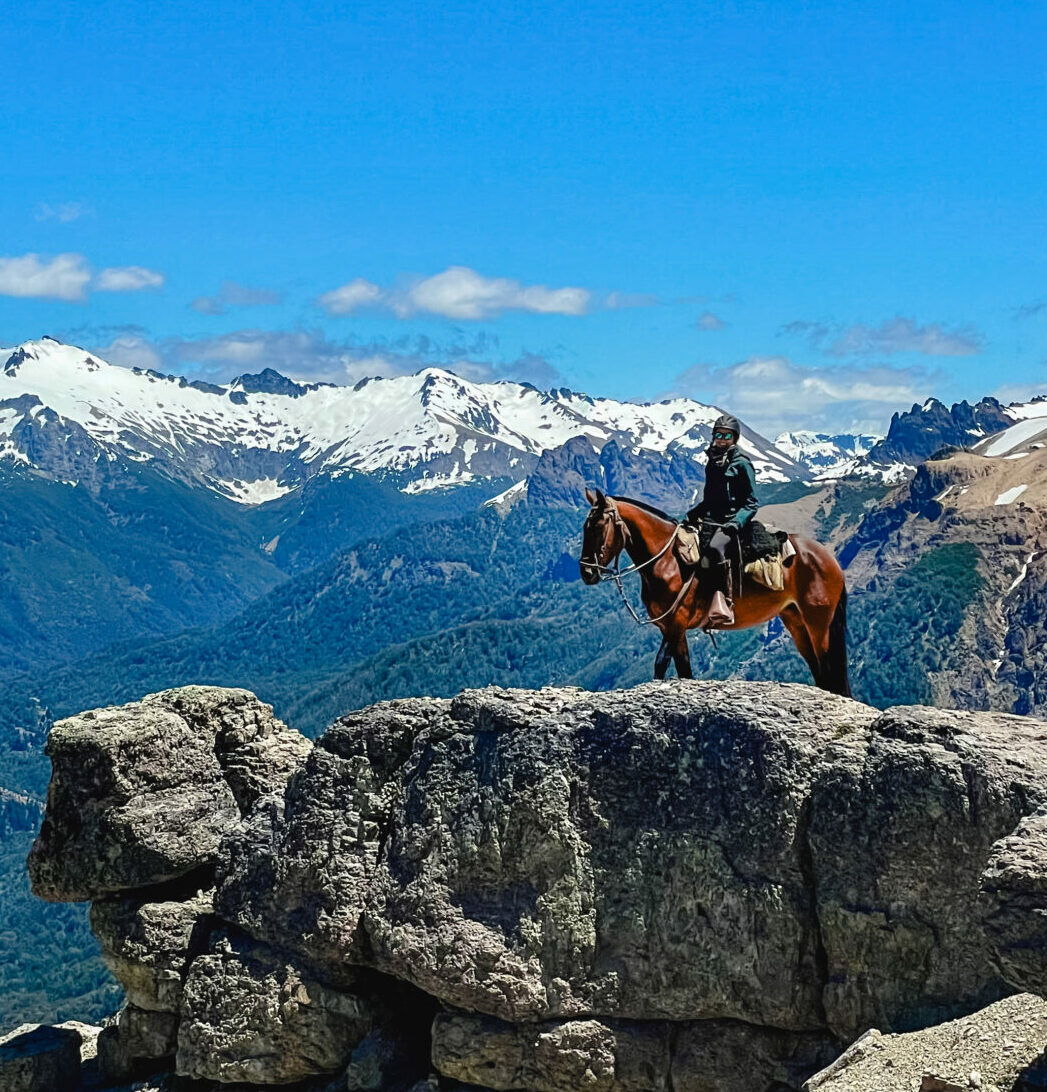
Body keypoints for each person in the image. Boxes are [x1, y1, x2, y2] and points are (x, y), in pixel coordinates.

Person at [684, 413, 759, 627]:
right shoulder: (713, 463)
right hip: (712, 519)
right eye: (719, 435)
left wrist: (735, 523)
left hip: (733, 523)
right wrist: (692, 515)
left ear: (734, 438)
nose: (722, 440)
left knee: (715, 548)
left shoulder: (742, 464)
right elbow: (710, 500)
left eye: (727, 436)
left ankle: (723, 602)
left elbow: (752, 502)